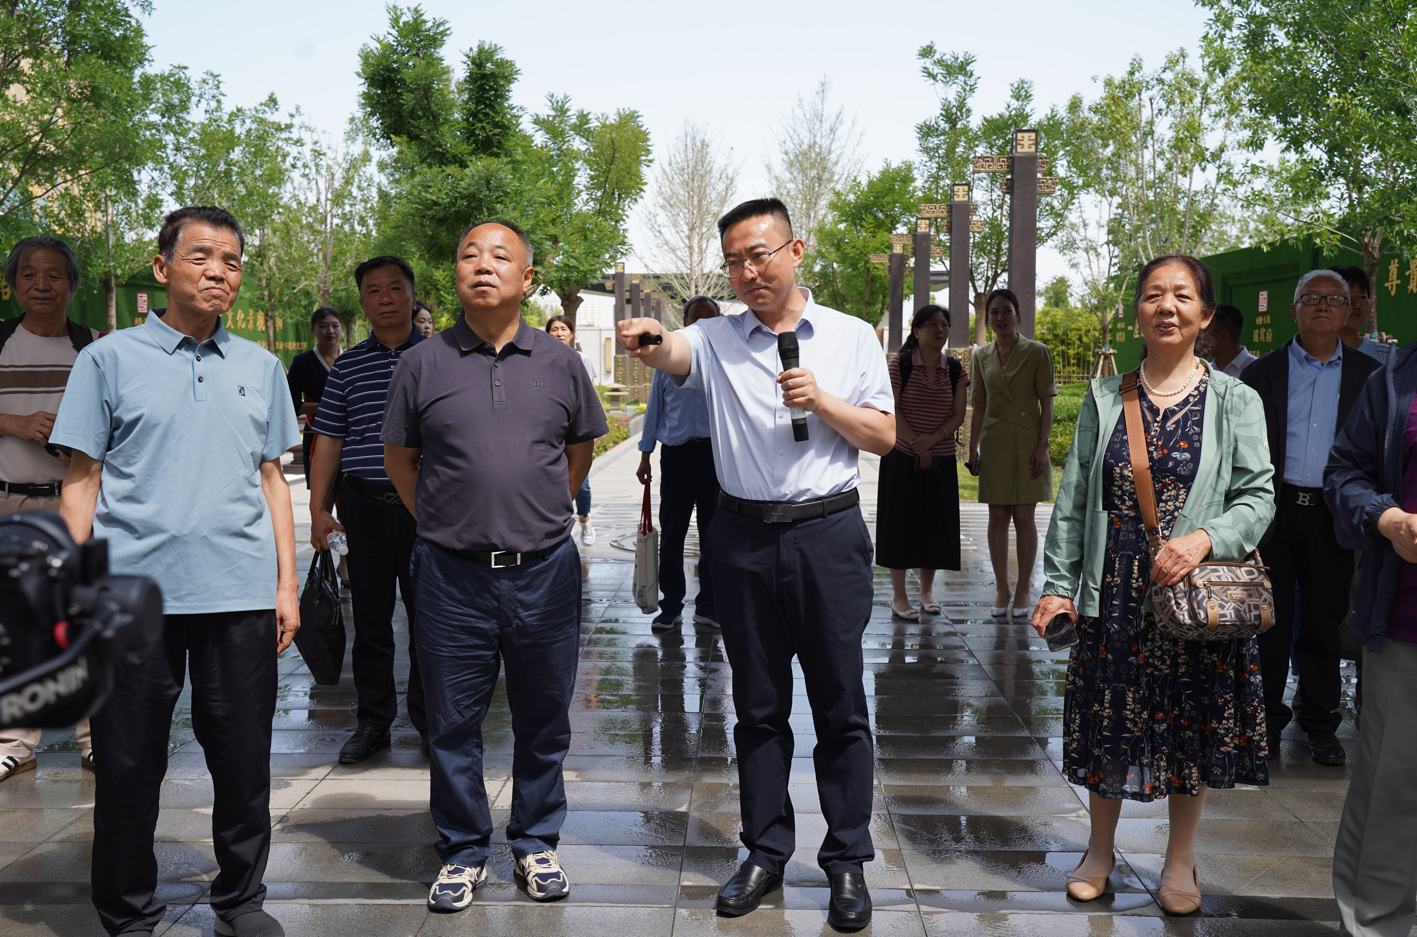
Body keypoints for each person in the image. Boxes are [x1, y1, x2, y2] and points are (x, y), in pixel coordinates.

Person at [618, 198, 895, 932]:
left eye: (759, 255)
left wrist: (822, 401)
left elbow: (883, 436)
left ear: (795, 250)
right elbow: (673, 350)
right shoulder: (715, 337)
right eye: (734, 262)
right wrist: (649, 339)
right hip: (740, 539)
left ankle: (846, 861)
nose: (747, 272)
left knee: (841, 706)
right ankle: (766, 851)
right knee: (758, 707)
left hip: (827, 535)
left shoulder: (850, 336)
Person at [52, 205, 301, 937]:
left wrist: (286, 583)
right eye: (201, 256)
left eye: (231, 260)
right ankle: (127, 912)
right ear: (162, 269)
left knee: (244, 761)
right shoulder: (108, 360)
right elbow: (81, 481)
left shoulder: (260, 366)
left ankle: (241, 901)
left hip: (239, 593)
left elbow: (272, 481)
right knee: (127, 765)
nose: (218, 271)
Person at [1035, 254, 1274, 916]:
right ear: (1136, 311)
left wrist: (1203, 539)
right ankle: (1099, 851)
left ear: (1205, 314)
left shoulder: (1236, 399)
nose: (1166, 306)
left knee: (1189, 722)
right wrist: (1057, 584)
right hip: (1113, 590)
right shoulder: (1104, 397)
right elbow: (1074, 498)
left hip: (1192, 594)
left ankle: (1179, 859)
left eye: (1181, 296)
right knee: (1109, 719)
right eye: (1152, 295)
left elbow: (1257, 496)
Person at [383, 220, 606, 912]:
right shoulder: (422, 363)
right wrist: (449, 523)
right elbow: (400, 460)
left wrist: (536, 515)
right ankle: (463, 849)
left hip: (544, 572)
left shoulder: (561, 362)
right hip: (450, 575)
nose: (483, 265)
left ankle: (535, 841)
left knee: (545, 718)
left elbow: (578, 452)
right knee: (451, 721)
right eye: (469, 255)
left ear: (527, 278)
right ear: (455, 274)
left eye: (500, 255)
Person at [1239, 269, 1378, 766]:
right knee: (1269, 622)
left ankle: (1319, 722)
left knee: (1324, 622)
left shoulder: (1370, 376)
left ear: (1348, 310)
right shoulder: (1262, 374)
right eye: (1312, 298)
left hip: (1333, 515)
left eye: (1333, 299)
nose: (1322, 306)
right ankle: (1264, 723)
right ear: (1294, 308)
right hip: (1273, 512)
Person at [308, 256, 428, 765]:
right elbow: (330, 441)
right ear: (362, 302)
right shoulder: (348, 366)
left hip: (428, 511)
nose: (385, 298)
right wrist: (318, 509)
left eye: (394, 288)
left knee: (431, 622)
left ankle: (432, 723)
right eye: (374, 291)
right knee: (372, 625)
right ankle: (374, 722)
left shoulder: (442, 358)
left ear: (412, 296)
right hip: (364, 509)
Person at [1325, 341, 1417, 937]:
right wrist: (1387, 519)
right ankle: (1378, 925)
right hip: (1406, 624)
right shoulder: (1394, 379)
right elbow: (1344, 473)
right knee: (1393, 785)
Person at [0, 236, 96, 782]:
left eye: (54, 274)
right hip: (8, 500)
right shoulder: (0, 342)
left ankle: (95, 738)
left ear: (72, 285)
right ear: (13, 284)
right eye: (29, 274)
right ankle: (15, 741)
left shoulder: (95, 348)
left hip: (76, 502)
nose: (41, 284)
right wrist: (13, 423)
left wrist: (80, 440)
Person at [967, 288, 1056, 619]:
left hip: (1029, 440)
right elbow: (978, 405)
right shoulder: (980, 355)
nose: (1000, 317)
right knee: (997, 517)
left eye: (1007, 310)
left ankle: (1022, 590)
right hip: (994, 441)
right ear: (987, 318)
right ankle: (1002, 588)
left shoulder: (1037, 352)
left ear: (1018, 314)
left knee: (1024, 517)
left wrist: (1043, 444)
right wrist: (972, 448)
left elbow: (1047, 402)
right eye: (994, 312)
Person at [876, 304, 968, 620]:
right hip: (902, 456)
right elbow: (892, 408)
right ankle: (899, 597)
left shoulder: (954, 369)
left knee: (934, 526)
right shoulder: (900, 364)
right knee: (899, 525)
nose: (939, 330)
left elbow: (958, 414)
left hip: (941, 460)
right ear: (916, 331)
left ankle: (927, 592)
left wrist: (933, 440)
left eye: (944, 324)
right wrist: (918, 443)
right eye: (931, 324)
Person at [635, 295, 722, 631]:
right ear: (685, 321)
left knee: (714, 537)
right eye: (696, 317)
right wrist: (645, 456)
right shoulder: (667, 360)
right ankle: (670, 607)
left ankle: (709, 607)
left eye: (709, 317)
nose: (702, 322)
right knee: (672, 535)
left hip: (716, 459)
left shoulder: (726, 359)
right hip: (677, 458)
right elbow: (654, 410)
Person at [547, 314, 599, 545]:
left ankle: (585, 518)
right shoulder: (539, 359)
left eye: (563, 329)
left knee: (583, 485)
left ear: (571, 333)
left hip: (576, 431)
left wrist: (593, 428)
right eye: (554, 329)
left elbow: (591, 396)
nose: (559, 333)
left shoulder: (581, 359)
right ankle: (557, 522)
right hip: (551, 430)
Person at [286, 307, 343, 489]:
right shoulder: (302, 362)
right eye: (323, 326)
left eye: (335, 326)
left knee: (348, 494)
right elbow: (290, 403)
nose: (330, 331)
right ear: (312, 330)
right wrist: (322, 407)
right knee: (321, 494)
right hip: (316, 433)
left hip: (349, 436)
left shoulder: (352, 360)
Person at [1330, 264, 1391, 364]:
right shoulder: (1306, 356)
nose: (1356, 305)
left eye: (1362, 297)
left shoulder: (1388, 358)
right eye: (1347, 297)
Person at [1204, 303, 1256, 377]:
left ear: (1223, 336)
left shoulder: (1257, 369)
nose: (1199, 337)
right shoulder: (1205, 371)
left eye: (1204, 332)